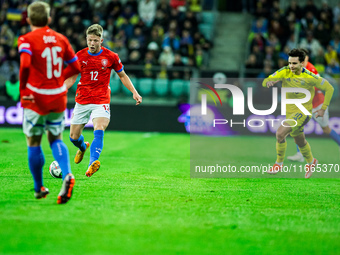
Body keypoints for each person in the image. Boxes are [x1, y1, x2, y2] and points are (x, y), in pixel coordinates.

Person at [18, 1, 81, 203]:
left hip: (36, 97)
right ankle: (68, 174)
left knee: (34, 141)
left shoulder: (26, 40)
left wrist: (23, 89)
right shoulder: (61, 39)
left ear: (28, 20)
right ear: (49, 19)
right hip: (58, 95)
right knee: (55, 138)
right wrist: (58, 81)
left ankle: (39, 188)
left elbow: (26, 63)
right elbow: (76, 66)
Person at [65, 24, 142, 177]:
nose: (92, 43)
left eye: (95, 40)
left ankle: (92, 163)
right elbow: (72, 77)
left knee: (99, 128)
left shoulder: (111, 56)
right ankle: (82, 147)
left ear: (101, 39)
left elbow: (122, 75)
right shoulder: (79, 56)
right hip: (82, 100)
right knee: (73, 137)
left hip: (101, 99)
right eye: (89, 40)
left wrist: (134, 92)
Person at [262, 48, 334, 178]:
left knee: (280, 133)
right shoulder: (285, 71)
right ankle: (312, 162)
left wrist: (323, 108)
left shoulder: (310, 77)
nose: (291, 66)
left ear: (302, 63)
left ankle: (278, 163)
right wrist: (270, 81)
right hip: (290, 113)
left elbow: (329, 88)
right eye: (290, 63)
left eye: (294, 63)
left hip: (304, 112)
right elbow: (265, 80)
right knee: (300, 141)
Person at [287, 49, 340, 162]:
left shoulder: (311, 70)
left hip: (317, 104)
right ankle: (300, 154)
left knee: (326, 129)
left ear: (307, 59)